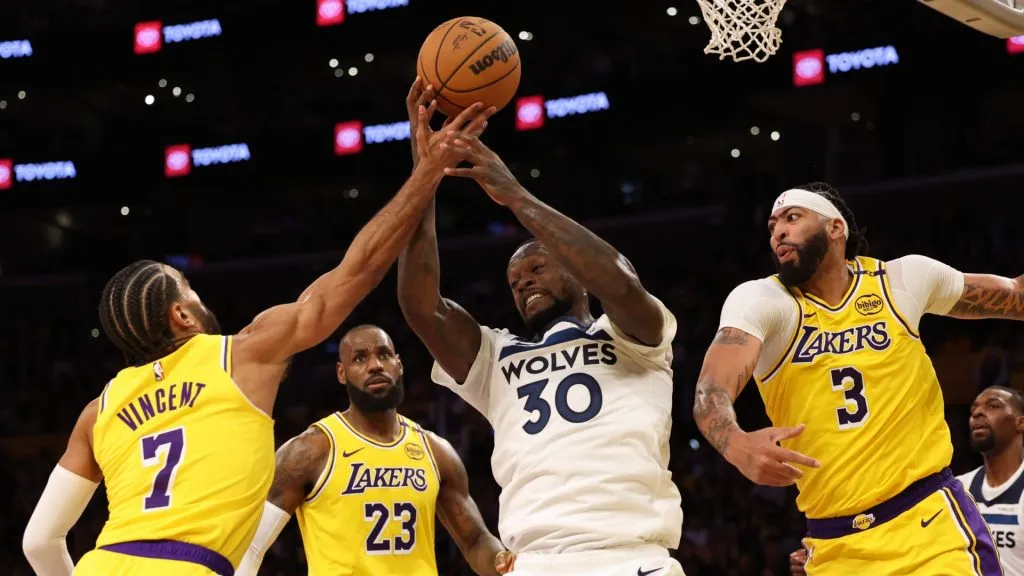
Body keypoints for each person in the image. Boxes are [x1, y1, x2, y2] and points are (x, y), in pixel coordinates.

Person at [20, 92, 494, 576]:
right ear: (182, 317)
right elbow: (361, 268)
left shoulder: (97, 412)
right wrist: (429, 169)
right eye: (191, 291)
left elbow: (39, 543)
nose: (202, 299)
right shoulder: (242, 354)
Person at [396, 80, 685, 576]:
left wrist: (513, 194)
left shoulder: (637, 339)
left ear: (574, 269)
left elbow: (617, 279)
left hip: (631, 555)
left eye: (536, 268)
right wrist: (425, 176)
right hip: (536, 561)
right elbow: (422, 306)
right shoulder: (495, 358)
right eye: (513, 280)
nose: (522, 282)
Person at [694, 181, 1023, 574]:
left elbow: (1015, 296)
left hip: (930, 528)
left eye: (792, 217)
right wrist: (735, 444)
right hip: (835, 545)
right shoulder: (764, 301)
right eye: (772, 225)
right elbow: (711, 389)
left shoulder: (901, 282)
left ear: (836, 228)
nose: (778, 231)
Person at [236, 324, 515, 576]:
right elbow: (250, 546)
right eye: (360, 358)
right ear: (341, 373)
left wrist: (500, 559)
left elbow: (476, 540)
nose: (375, 366)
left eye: (384, 355)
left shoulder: (435, 451)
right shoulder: (311, 449)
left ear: (399, 364)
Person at [789, 385, 1024, 575]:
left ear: (1020, 422)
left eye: (993, 406)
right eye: (974, 408)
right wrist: (819, 558)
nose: (978, 413)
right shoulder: (957, 490)